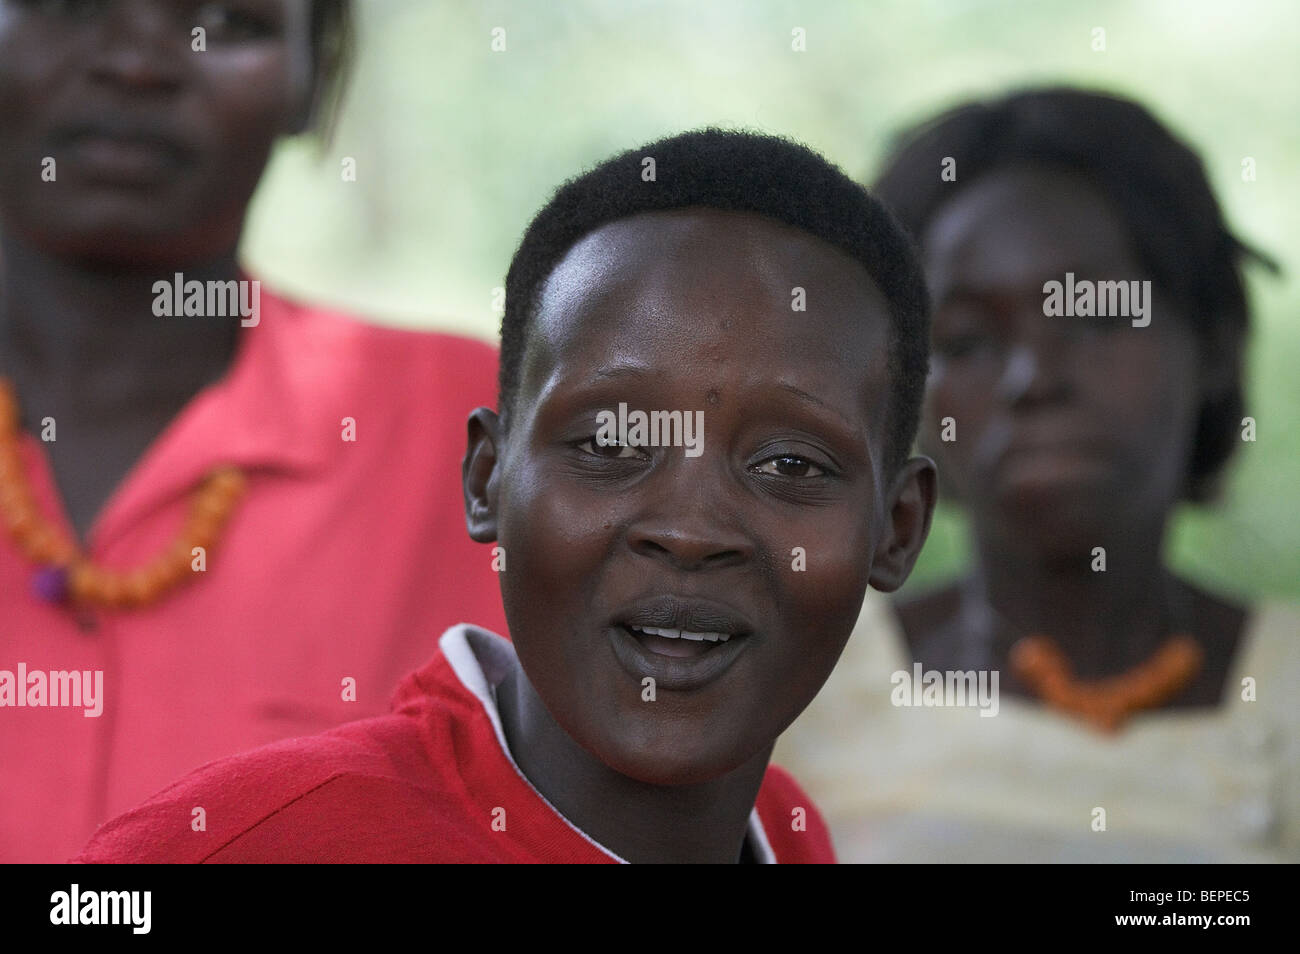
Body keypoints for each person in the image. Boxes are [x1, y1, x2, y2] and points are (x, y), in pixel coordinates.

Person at [74, 128, 939, 863]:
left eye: (790, 467)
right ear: (487, 477)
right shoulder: (241, 846)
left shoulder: (786, 835)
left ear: (896, 530)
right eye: (610, 444)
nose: (689, 529)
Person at [0, 0, 505, 863]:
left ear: (314, 79)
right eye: (70, 4)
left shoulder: (496, 439)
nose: (137, 63)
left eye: (230, 21)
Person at [774, 87, 1299, 861]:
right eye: (967, 341)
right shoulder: (792, 692)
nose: (1033, 377)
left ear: (1213, 348)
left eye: (1093, 318)